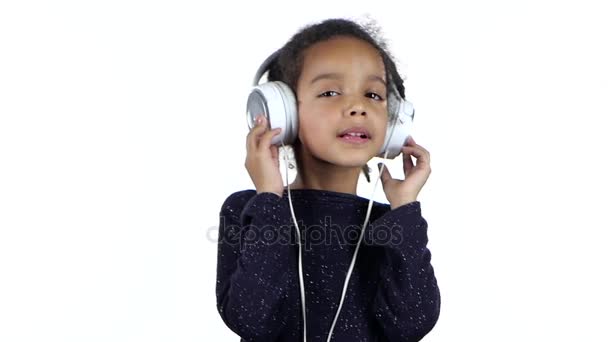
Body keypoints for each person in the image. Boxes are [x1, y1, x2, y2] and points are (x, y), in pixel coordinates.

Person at [215, 18, 440, 342]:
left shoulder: (388, 224)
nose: (357, 107)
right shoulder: (249, 208)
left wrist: (404, 207)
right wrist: (268, 197)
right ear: (284, 114)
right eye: (330, 91)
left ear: (393, 123)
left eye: (373, 95)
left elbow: (411, 325)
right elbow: (252, 319)